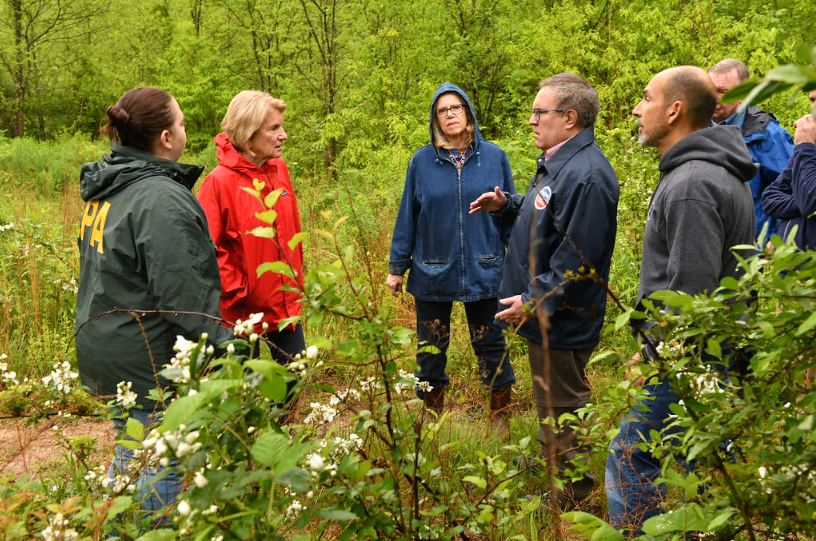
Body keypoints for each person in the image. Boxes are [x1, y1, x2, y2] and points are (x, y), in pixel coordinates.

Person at [605, 66, 756, 536]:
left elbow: (691, 292)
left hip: (694, 358)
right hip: (710, 355)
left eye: (645, 98)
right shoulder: (708, 171)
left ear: (673, 110)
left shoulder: (693, 183)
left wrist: (657, 354)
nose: (636, 107)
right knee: (709, 471)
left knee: (629, 454)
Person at [75, 87, 232, 522]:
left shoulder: (109, 184)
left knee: (133, 453)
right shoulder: (160, 198)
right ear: (165, 137)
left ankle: (113, 527)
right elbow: (186, 296)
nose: (185, 130)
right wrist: (227, 349)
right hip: (145, 355)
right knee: (160, 464)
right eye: (181, 123)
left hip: (105, 342)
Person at [470, 73, 619, 507]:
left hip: (563, 319)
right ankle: (557, 480)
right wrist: (508, 205)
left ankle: (571, 501)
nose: (532, 121)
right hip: (545, 317)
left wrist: (534, 300)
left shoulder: (586, 176)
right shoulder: (560, 163)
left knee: (563, 407)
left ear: (569, 118)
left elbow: (579, 261)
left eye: (540, 112)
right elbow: (548, 218)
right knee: (550, 405)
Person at [388, 82, 517, 436]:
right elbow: (407, 216)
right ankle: (430, 417)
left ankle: (499, 419)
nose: (450, 115)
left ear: (469, 112)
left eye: (456, 107)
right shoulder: (421, 161)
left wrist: (519, 265)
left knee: (491, 344)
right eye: (442, 110)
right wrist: (398, 268)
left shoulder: (494, 156)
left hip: (486, 266)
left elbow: (511, 213)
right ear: (435, 119)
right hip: (433, 270)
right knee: (430, 347)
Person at [198, 91, 305, 370]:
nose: (284, 135)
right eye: (273, 128)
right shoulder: (217, 182)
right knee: (242, 393)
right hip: (240, 311)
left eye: (281, 126)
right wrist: (239, 290)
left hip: (284, 302)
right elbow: (206, 248)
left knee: (295, 378)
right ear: (248, 134)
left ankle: (280, 417)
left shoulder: (278, 168)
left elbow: (288, 231)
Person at [709, 59, 794, 241]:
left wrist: (776, 240)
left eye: (723, 91)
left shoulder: (768, 135)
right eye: (710, 90)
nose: (714, 97)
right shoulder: (695, 128)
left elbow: (794, 193)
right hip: (710, 248)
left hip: (753, 253)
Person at [762, 89, 816, 250]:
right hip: (791, 268)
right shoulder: (811, 148)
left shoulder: (807, 147)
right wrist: (804, 202)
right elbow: (770, 199)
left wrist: (805, 146)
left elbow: (811, 203)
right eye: (813, 100)